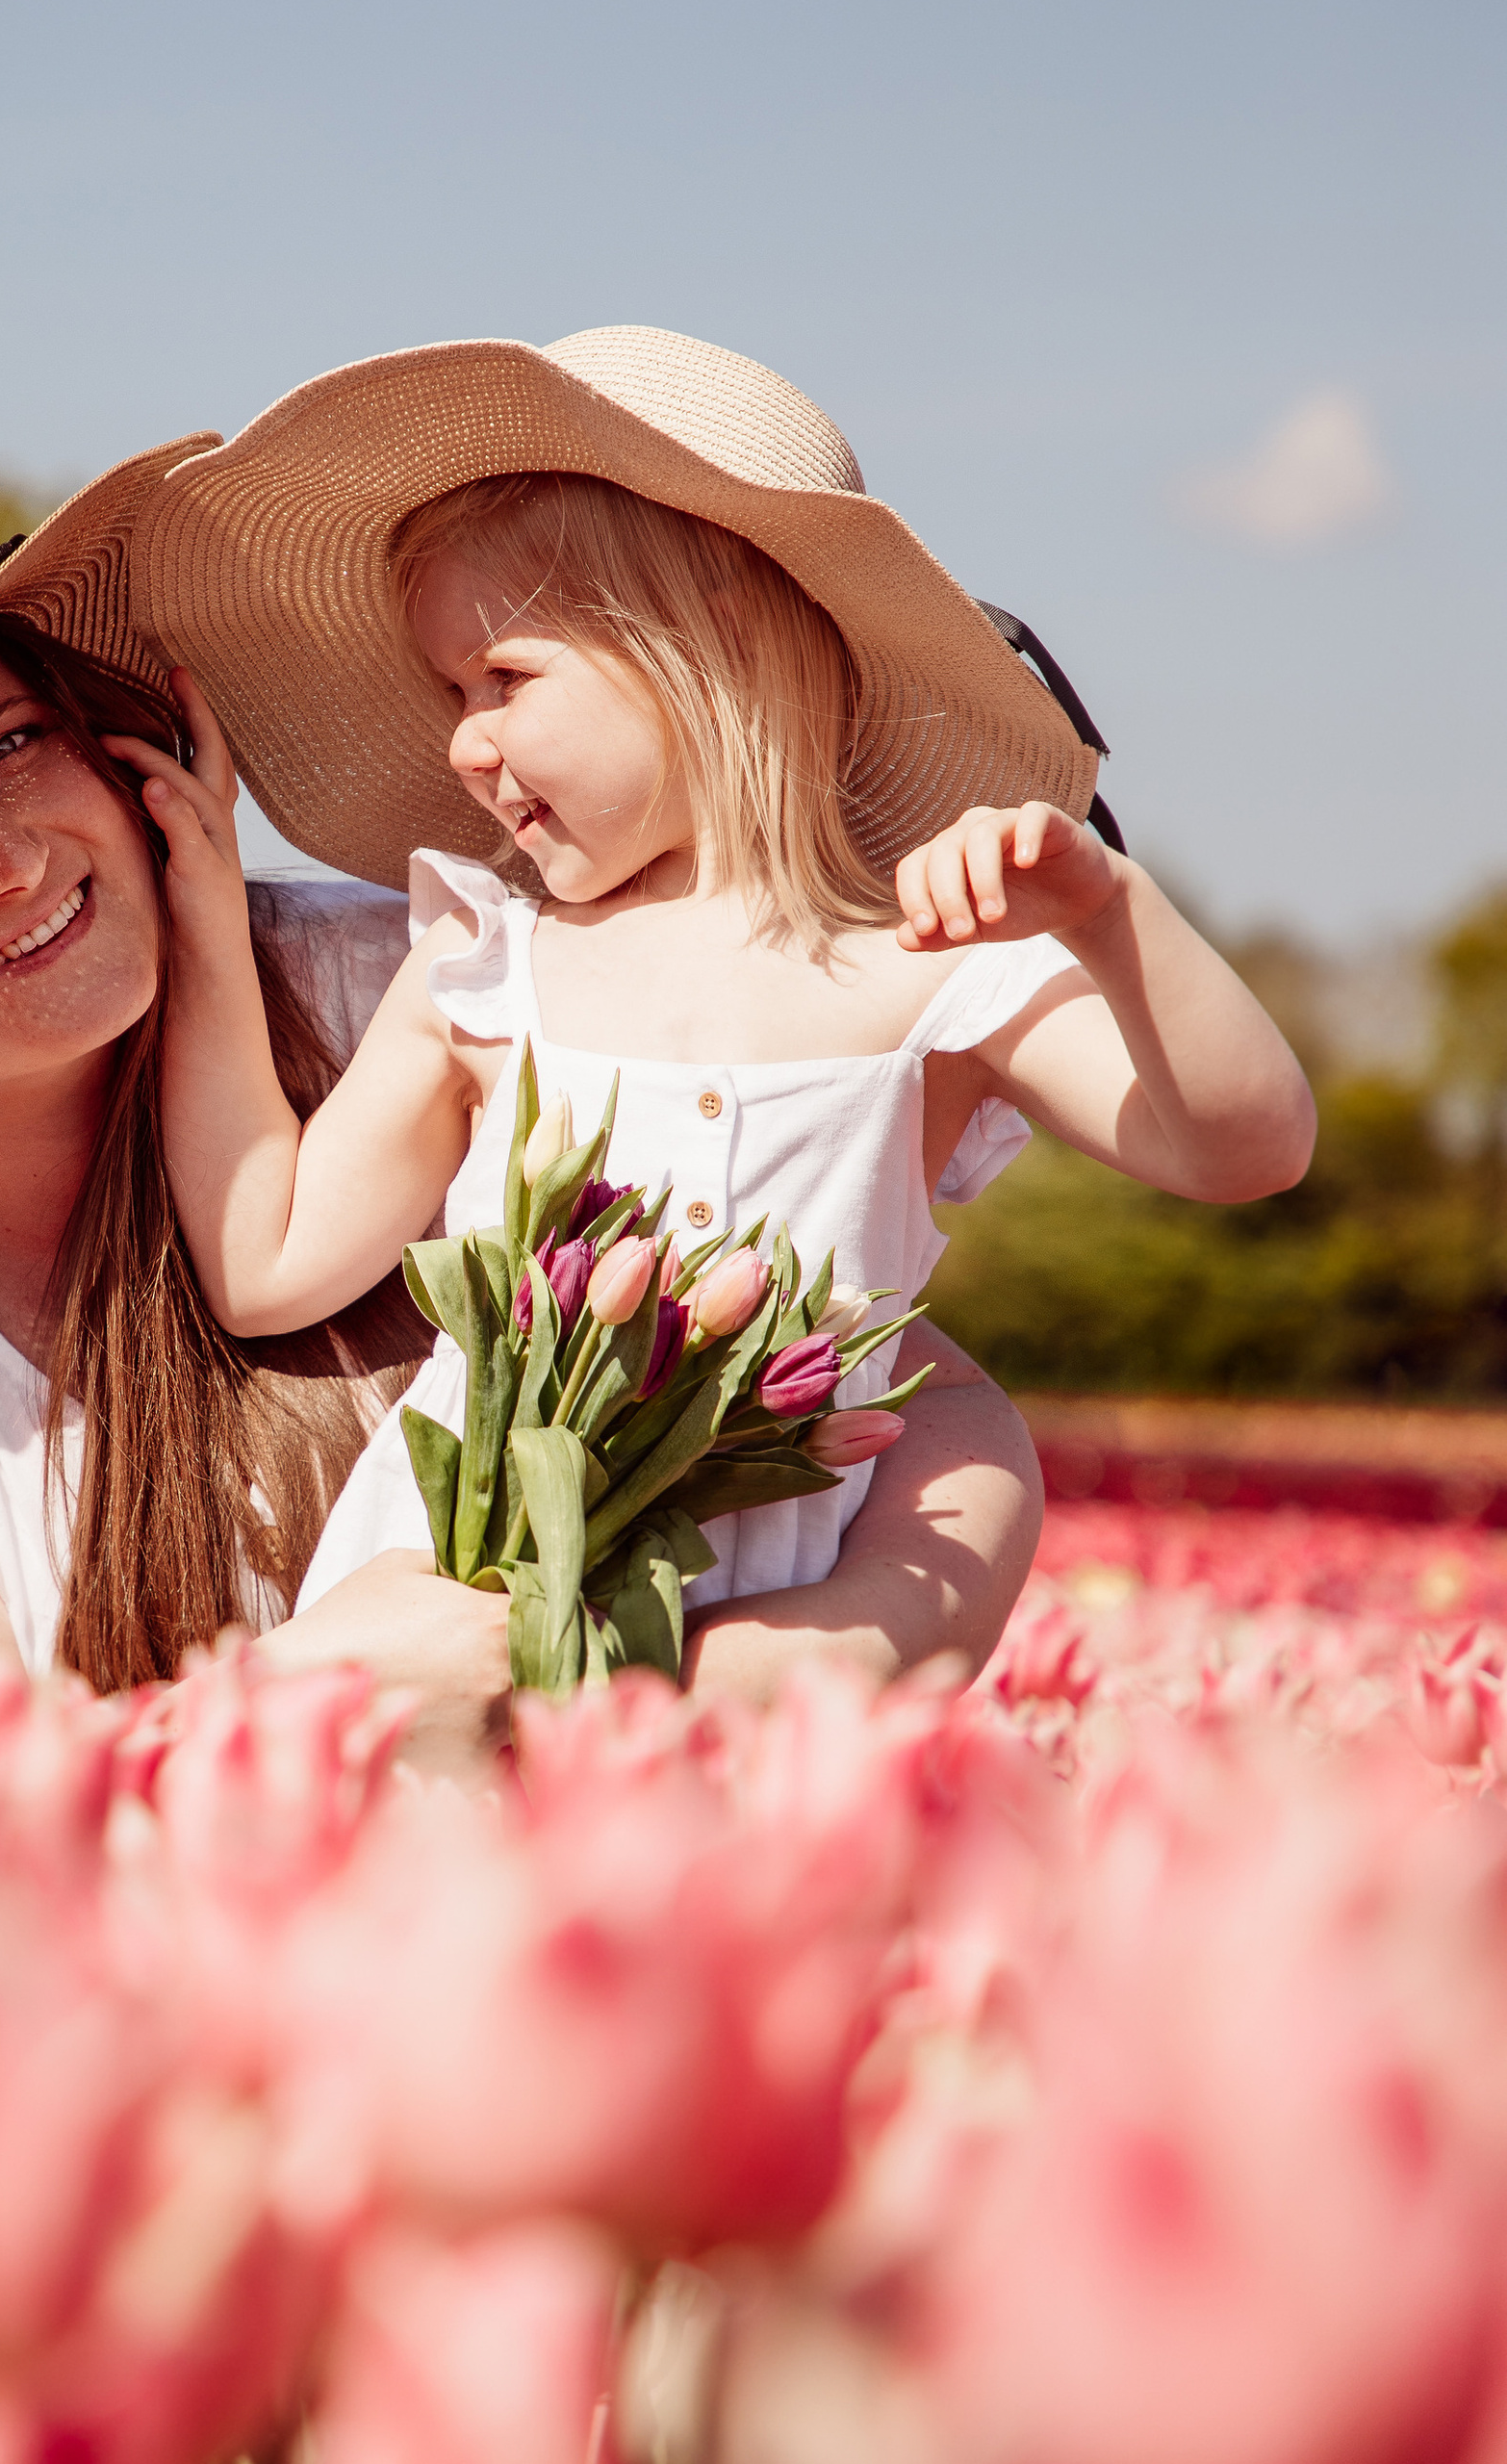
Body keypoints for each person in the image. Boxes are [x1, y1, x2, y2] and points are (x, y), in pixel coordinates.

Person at [0, 424, 1047, 1740]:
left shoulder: (422, 989)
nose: (8, 859)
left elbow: (909, 1394)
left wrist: (839, 1646)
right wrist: (317, 1693)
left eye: (14, 746)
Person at [129, 327, 1315, 1653]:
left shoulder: (936, 967)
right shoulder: (487, 967)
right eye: (451, 691)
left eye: (505, 679)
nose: (465, 741)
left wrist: (1112, 913)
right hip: (465, 1602)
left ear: (712, 634)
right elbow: (265, 1262)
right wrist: (205, 929)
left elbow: (1243, 1149)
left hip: (769, 1652)